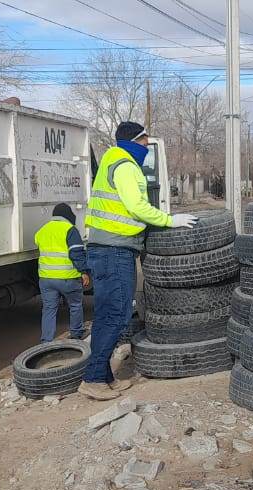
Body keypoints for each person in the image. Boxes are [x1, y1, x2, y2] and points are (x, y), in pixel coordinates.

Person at [79, 121, 197, 400]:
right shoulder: (126, 166)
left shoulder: (112, 159)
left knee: (107, 314)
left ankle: (105, 376)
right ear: (136, 141)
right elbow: (136, 207)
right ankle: (93, 378)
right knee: (117, 314)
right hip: (114, 251)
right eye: (145, 142)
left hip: (107, 248)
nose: (147, 147)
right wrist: (170, 220)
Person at [35, 203, 90, 342]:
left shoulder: (42, 230)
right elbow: (76, 253)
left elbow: (38, 243)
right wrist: (83, 271)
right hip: (67, 278)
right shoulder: (70, 229)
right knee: (75, 305)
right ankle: (77, 333)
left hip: (46, 278)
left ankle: (46, 340)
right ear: (67, 215)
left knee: (49, 309)